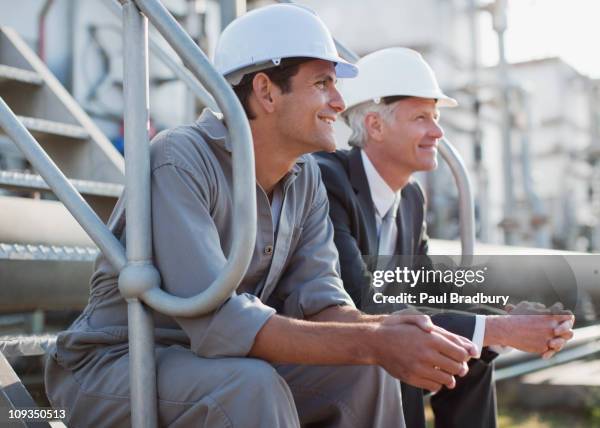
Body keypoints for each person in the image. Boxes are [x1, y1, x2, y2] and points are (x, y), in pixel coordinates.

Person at [45, 8, 480, 428]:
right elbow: (218, 325)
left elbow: (323, 304)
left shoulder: (306, 175)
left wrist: (388, 331)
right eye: (323, 82)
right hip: (115, 366)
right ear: (266, 91)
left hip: (217, 364)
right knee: (251, 386)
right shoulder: (179, 161)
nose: (339, 101)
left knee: (366, 371)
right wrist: (373, 340)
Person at [316, 47, 575, 428]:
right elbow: (363, 303)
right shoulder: (327, 180)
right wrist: (504, 330)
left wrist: (507, 316)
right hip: (328, 357)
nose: (437, 131)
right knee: (408, 349)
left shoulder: (411, 199)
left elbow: (427, 288)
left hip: (380, 342)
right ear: (374, 125)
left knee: (470, 358)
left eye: (436, 117)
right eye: (422, 117)